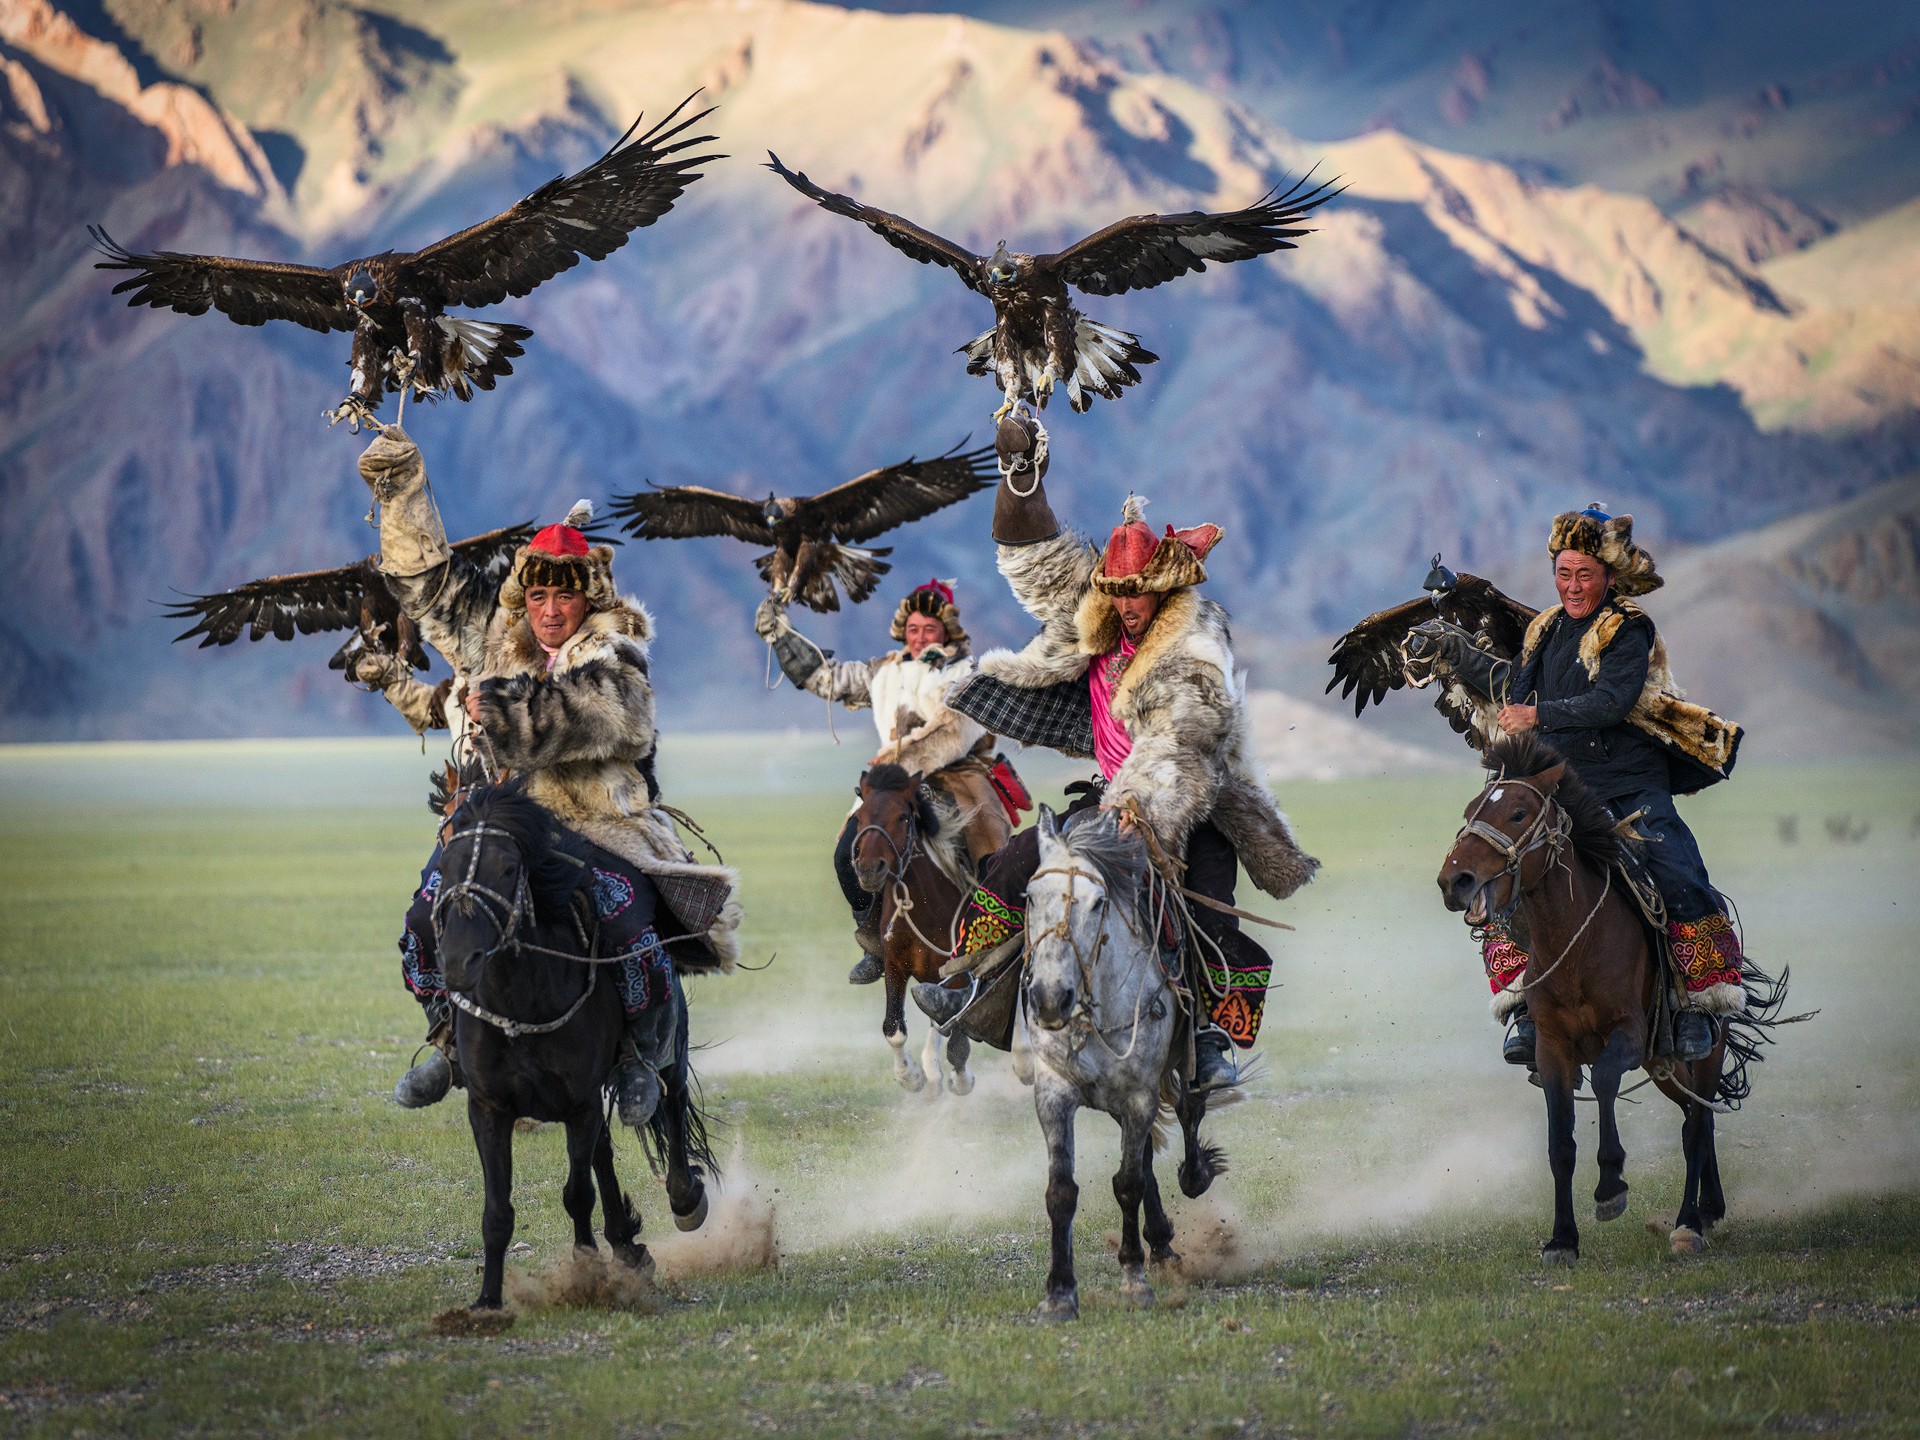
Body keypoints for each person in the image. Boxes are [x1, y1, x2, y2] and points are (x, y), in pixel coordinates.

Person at [915, 413, 1319, 1091]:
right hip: (1112, 801)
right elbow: (1042, 564)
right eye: (1119, 592)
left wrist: (1136, 801)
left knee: (1208, 912)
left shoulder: (1195, 642)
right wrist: (1021, 476)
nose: (1128, 604)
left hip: (1196, 806)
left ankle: (1210, 1043)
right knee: (1014, 865)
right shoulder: (1096, 620)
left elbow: (1181, 741)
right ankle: (969, 988)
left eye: (1140, 594)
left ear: (1164, 589)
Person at [357, 425, 741, 1124]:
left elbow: (603, 715)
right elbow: (431, 590)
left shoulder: (616, 653)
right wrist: (401, 490)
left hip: (596, 824)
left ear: (587, 599)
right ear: (525, 600)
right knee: (423, 920)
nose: (552, 610)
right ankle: (448, 1037)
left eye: (565, 598)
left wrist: (505, 709)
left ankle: (639, 1058)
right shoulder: (499, 640)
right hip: (507, 825)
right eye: (538, 597)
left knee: (628, 926)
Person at [1415, 504, 1745, 1066]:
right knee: (1499, 871)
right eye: (1563, 573)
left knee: (1677, 869)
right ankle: (1524, 1008)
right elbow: (1514, 690)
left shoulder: (1629, 629)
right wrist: (1456, 652)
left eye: (1584, 574)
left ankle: (1696, 1003)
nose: (1572, 585)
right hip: (1561, 787)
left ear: (1609, 577)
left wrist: (1538, 715)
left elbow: (1610, 702)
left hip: (1627, 783)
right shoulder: (1544, 629)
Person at [755, 579, 1026, 983]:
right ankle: (874, 941)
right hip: (890, 784)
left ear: (947, 630)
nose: (920, 637)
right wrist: (781, 636)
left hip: (958, 776)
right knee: (846, 854)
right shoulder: (883, 672)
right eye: (913, 629)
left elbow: (953, 733)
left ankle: (993, 946)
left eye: (929, 629)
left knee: (991, 854)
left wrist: (898, 759)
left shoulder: (967, 673)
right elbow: (827, 679)